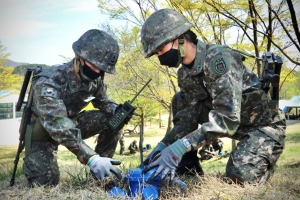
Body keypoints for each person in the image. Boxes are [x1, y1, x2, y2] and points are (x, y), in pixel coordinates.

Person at [141, 9, 286, 184]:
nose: (159, 56)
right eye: (156, 53)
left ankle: (262, 158)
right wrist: (162, 147)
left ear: (179, 38)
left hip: (262, 126)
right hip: (235, 122)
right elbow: (186, 120)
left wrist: (179, 147)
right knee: (180, 100)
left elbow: (226, 119)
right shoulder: (184, 75)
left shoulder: (219, 60)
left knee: (239, 176)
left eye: (160, 49)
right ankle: (188, 166)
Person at [22, 29, 131, 186]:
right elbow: (58, 125)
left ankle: (101, 174)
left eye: (102, 69)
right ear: (78, 57)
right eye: (94, 65)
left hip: (72, 123)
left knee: (114, 119)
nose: (98, 72)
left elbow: (104, 101)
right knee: (46, 183)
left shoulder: (95, 80)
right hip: (44, 132)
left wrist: (116, 110)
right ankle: (96, 162)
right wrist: (91, 158)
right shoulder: (49, 81)